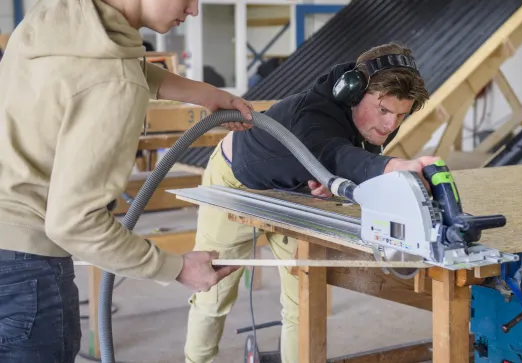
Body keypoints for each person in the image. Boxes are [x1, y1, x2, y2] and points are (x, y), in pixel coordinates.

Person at [0, 0, 253, 361]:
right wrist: (175, 267)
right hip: (29, 269)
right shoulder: (115, 84)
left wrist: (204, 93)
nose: (193, 10)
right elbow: (74, 224)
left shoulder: (57, 15)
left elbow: (114, 65)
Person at [184, 42, 440, 363]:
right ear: (352, 93)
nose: (391, 126)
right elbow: (332, 151)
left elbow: (344, 161)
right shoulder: (314, 113)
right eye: (384, 111)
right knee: (214, 291)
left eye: (401, 115)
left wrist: (326, 186)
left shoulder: (367, 121)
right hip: (236, 181)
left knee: (302, 303)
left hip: (291, 193)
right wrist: (393, 166)